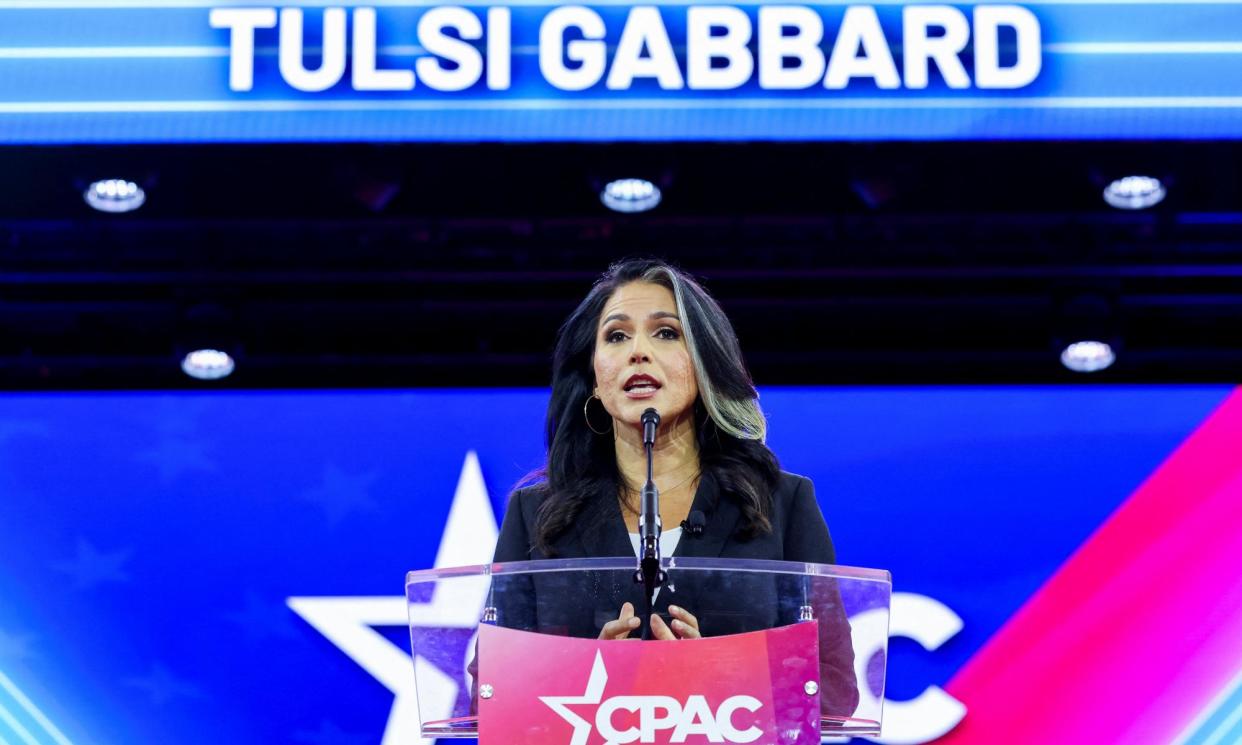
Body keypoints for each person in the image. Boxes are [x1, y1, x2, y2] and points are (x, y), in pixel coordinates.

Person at [490, 258, 859, 717]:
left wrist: (721, 681)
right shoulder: (535, 516)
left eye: (666, 333)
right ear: (594, 378)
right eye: (616, 336)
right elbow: (486, 696)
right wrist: (583, 678)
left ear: (705, 363)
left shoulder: (783, 504)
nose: (637, 352)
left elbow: (836, 692)